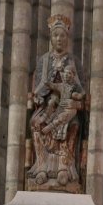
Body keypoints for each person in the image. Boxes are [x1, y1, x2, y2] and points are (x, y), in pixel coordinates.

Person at [28, 14, 88, 190]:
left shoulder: (74, 62)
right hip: (48, 106)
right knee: (36, 123)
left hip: (67, 107)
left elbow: (80, 90)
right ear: (51, 38)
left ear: (67, 38)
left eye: (62, 35)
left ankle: (64, 167)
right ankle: (41, 167)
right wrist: (41, 94)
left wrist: (76, 100)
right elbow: (38, 88)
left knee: (72, 124)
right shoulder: (44, 61)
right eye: (56, 35)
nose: (59, 39)